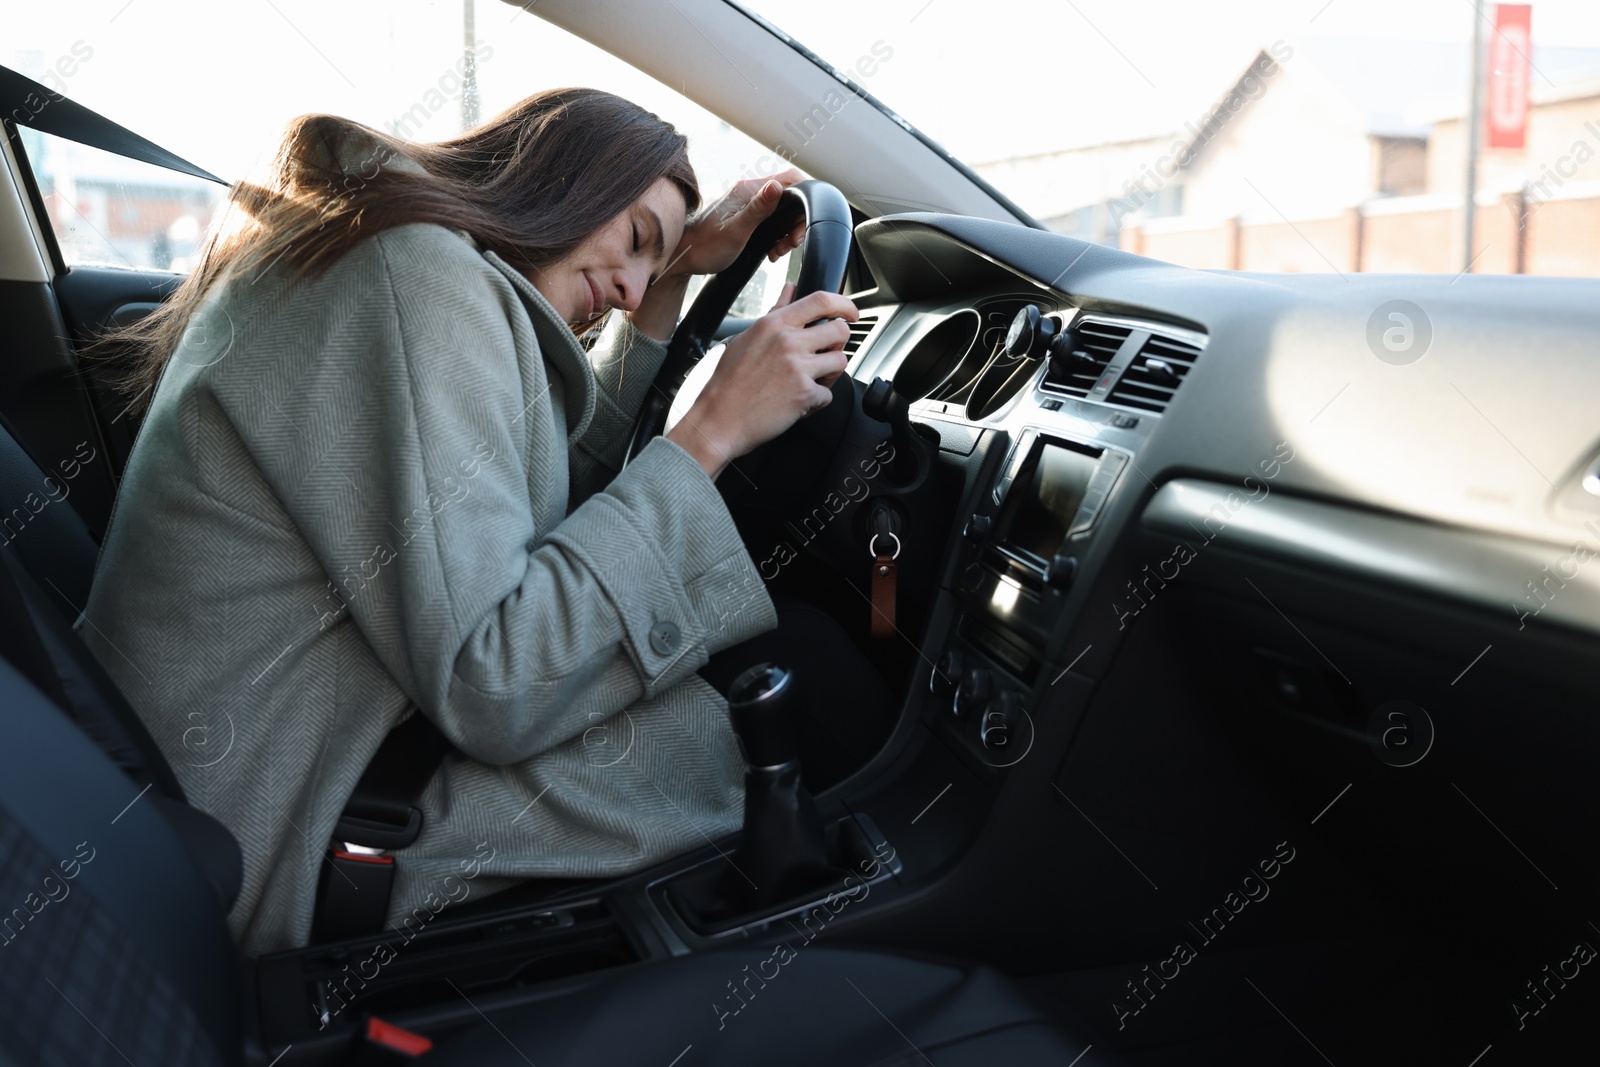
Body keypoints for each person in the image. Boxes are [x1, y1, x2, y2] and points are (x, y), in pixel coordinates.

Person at [76, 88, 862, 955]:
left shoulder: (405, 259)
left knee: (772, 668)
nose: (633, 282)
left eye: (653, 264)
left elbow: (536, 486)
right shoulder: (416, 279)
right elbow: (496, 685)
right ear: (561, 178)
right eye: (635, 239)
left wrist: (670, 273)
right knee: (807, 704)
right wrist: (712, 432)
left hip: (269, 772)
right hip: (287, 832)